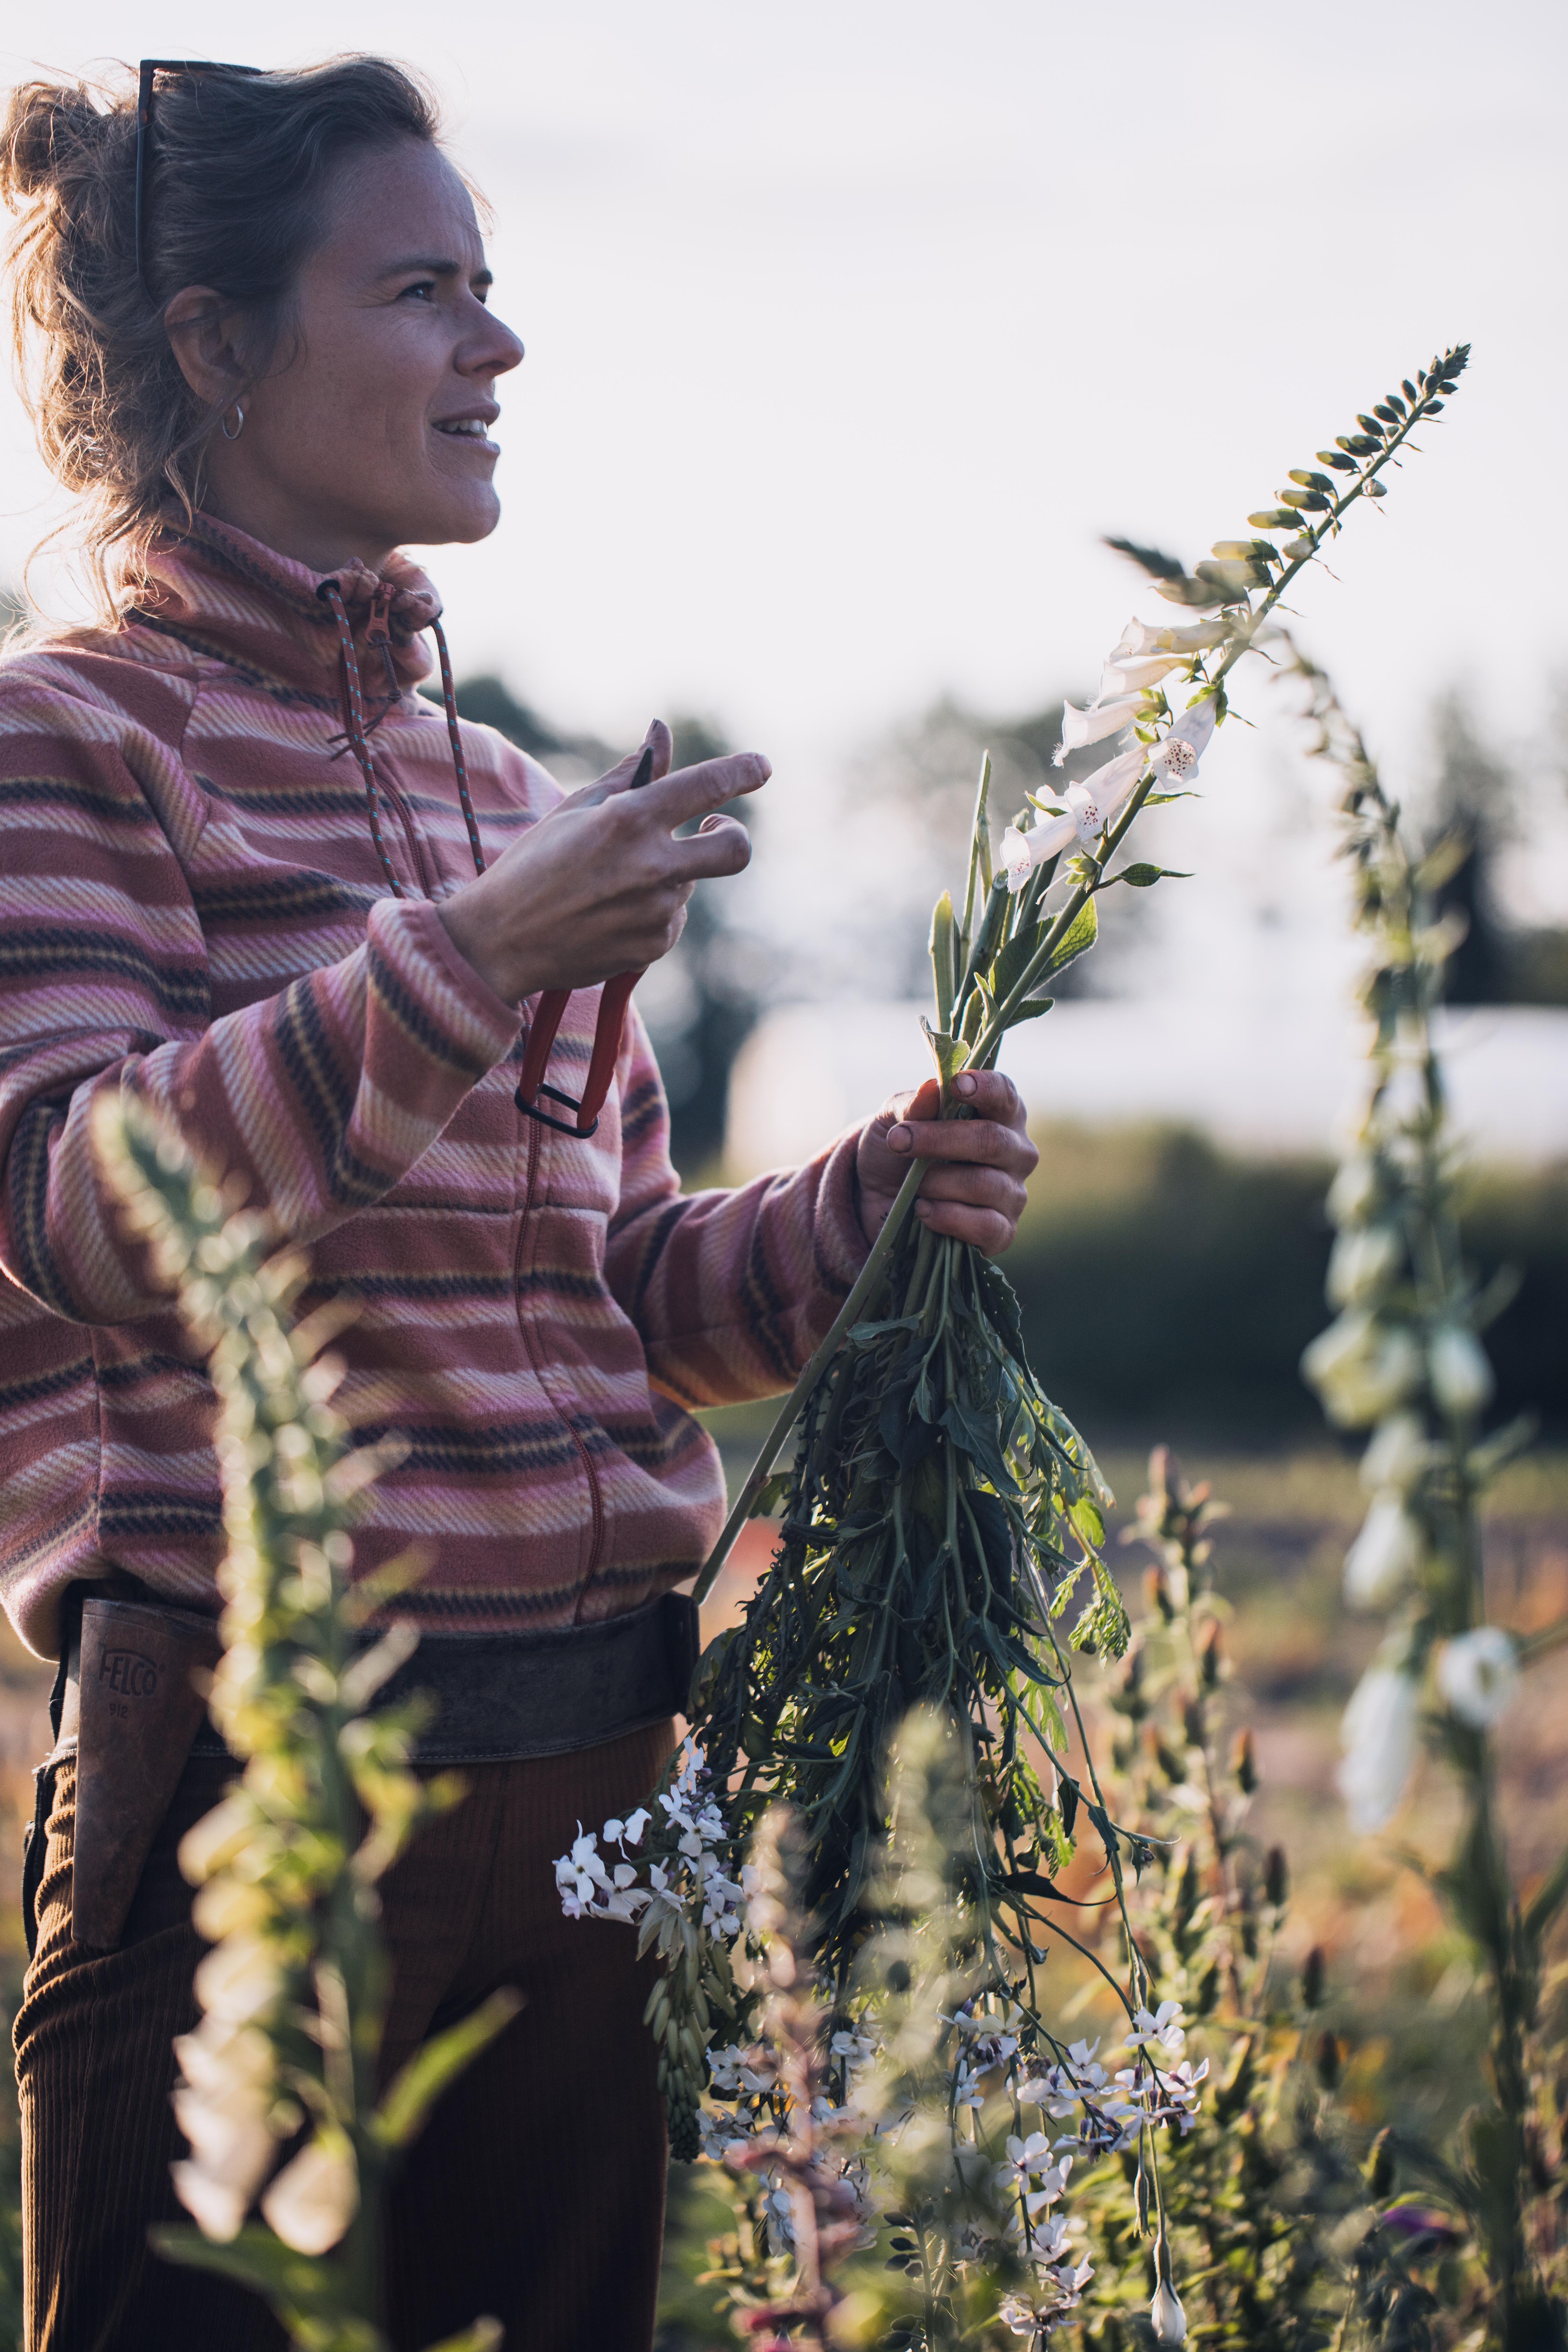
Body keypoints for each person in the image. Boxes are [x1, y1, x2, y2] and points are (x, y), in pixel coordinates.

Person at [0, 54, 1039, 2352]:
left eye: (497, 287)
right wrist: (471, 967)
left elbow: (635, 1308)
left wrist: (875, 1205)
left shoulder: (508, 798)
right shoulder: (64, 744)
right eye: (427, 290)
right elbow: (76, 1209)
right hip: (257, 1789)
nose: (500, 347)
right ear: (214, 344)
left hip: (605, 1788)